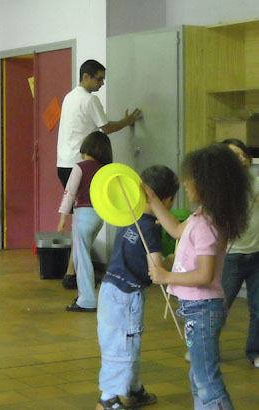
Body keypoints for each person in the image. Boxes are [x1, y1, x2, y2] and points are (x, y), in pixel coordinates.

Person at [146, 145, 250, 410]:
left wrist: (166, 275)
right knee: (198, 376)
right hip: (198, 310)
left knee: (207, 380)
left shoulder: (206, 225)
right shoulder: (202, 216)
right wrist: (152, 198)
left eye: (191, 177)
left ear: (207, 183)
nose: (186, 183)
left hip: (202, 311)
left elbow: (204, 275)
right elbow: (176, 229)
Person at [95, 165, 179, 410]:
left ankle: (132, 390)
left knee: (124, 343)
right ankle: (108, 399)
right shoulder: (150, 228)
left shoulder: (126, 216)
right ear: (167, 200)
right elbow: (156, 270)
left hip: (110, 288)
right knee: (123, 347)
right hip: (127, 296)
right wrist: (172, 260)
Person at [57, 59, 141, 290]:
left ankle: (72, 272)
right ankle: (75, 273)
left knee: (81, 222)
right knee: (89, 221)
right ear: (86, 77)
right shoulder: (89, 98)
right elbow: (107, 128)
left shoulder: (69, 96)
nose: (102, 83)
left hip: (64, 164)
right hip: (83, 164)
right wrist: (127, 121)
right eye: (99, 78)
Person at [57, 131, 112, 312]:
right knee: (84, 254)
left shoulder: (80, 167)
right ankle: (84, 294)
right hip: (99, 217)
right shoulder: (104, 170)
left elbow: (69, 193)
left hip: (83, 215)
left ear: (86, 148)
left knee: (82, 258)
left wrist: (63, 217)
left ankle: (87, 300)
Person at [220, 138, 259, 368]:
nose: (242, 159)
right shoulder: (220, 188)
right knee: (219, 307)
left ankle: (255, 352)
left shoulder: (256, 182)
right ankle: (205, 347)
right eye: (235, 156)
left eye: (243, 154)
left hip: (257, 254)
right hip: (231, 257)